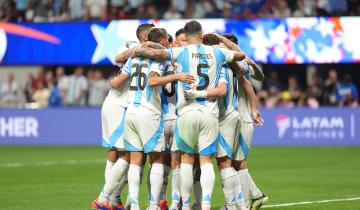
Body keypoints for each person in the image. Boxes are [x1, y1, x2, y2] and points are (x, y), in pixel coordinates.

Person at [131, 20, 246, 210]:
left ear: (187, 35)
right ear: (201, 36)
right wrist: (221, 41)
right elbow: (240, 55)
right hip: (209, 112)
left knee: (186, 159)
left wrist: (142, 46)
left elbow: (155, 54)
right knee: (207, 160)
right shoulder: (217, 52)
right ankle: (206, 204)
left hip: (185, 112)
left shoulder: (179, 52)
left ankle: (183, 204)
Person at [107, 28, 194, 210]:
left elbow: (116, 72)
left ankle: (135, 202)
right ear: (164, 42)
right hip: (170, 115)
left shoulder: (139, 57)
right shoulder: (175, 58)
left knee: (139, 160)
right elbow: (154, 79)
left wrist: (139, 49)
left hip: (143, 113)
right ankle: (170, 202)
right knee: (170, 162)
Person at [92, 23, 155, 210]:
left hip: (123, 106)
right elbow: (118, 67)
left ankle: (113, 199)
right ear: (144, 37)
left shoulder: (141, 53)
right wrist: (138, 48)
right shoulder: (132, 51)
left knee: (120, 153)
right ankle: (107, 199)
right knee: (126, 154)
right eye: (153, 34)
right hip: (118, 105)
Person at [220, 33, 268, 210]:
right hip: (233, 119)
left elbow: (252, 84)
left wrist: (254, 110)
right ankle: (255, 196)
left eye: (228, 44)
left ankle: (244, 204)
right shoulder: (224, 62)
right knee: (231, 162)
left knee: (235, 162)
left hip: (240, 118)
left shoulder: (240, 65)